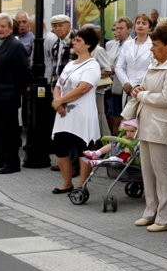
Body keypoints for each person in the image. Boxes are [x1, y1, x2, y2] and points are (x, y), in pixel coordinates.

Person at [131, 24, 167, 231]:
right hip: (146, 123)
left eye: (155, 45)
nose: (151, 49)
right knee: (147, 172)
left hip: (163, 126)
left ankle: (166, 218)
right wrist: (139, 89)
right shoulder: (154, 63)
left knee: (164, 173)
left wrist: (142, 95)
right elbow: (146, 87)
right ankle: (150, 211)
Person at [51, 26, 101, 193]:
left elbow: (83, 88)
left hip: (81, 113)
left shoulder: (92, 66)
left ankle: (81, 185)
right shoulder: (70, 64)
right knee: (60, 146)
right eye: (75, 39)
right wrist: (58, 102)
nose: (74, 42)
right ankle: (66, 183)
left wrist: (59, 102)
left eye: (78, 40)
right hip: (63, 113)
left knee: (82, 148)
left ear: (88, 44)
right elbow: (59, 84)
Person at [0, 14, 29, 174]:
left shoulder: (15, 46)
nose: (0, 29)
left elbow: (24, 71)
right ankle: (0, 159)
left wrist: (15, 90)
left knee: (9, 131)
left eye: (3, 26)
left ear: (10, 28)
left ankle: (12, 163)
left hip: (8, 95)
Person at [116, 13, 154, 101]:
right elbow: (119, 66)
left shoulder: (153, 45)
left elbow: (153, 68)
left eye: (144, 23)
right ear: (134, 26)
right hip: (128, 88)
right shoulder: (127, 44)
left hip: (144, 88)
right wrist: (125, 82)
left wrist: (139, 85)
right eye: (138, 23)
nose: (140, 25)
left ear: (150, 28)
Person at [105, 17, 132, 133]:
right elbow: (107, 62)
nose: (118, 31)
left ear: (129, 30)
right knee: (113, 116)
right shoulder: (112, 45)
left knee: (123, 117)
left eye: (121, 28)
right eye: (116, 29)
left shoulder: (131, 45)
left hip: (124, 85)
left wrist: (114, 67)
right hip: (112, 85)